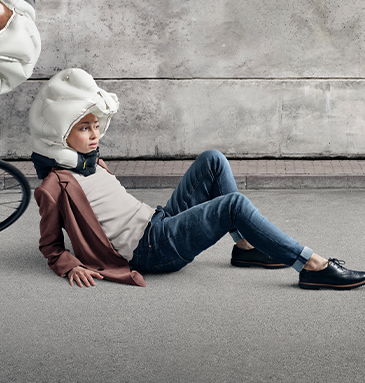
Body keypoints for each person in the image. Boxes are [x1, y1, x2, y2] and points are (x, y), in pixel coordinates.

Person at [30, 68, 365, 290]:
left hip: (157, 220)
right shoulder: (54, 185)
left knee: (212, 160)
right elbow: (50, 244)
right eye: (83, 128)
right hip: (150, 249)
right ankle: (311, 266)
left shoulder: (92, 162)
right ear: (61, 134)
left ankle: (246, 247)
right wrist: (69, 264)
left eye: (95, 126)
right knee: (233, 205)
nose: (94, 135)